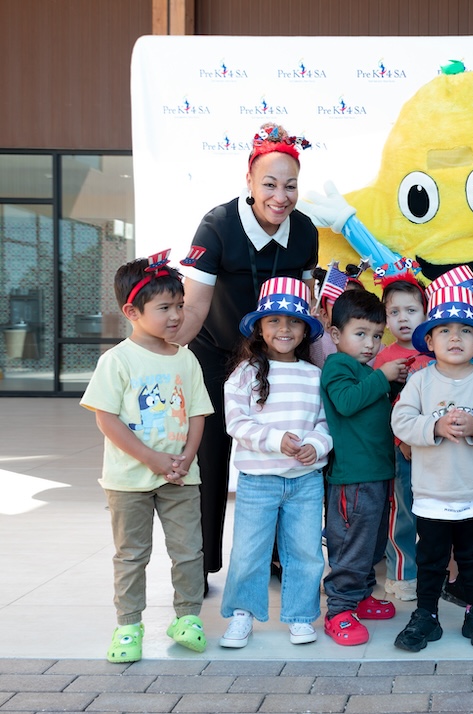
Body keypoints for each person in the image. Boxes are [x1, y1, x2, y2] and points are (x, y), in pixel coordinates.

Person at [176, 122, 319, 588]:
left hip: (276, 357)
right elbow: (194, 305)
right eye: (270, 185)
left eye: (291, 185)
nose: (281, 196)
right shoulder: (217, 226)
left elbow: (307, 302)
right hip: (215, 353)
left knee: (287, 451)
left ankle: (280, 556)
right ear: (251, 183)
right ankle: (198, 563)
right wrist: (166, 359)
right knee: (209, 457)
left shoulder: (305, 233)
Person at [81, 253, 213, 663]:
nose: (176, 316)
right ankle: (128, 625)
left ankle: (188, 618)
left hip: (180, 477)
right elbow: (107, 419)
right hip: (128, 480)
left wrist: (185, 458)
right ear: (131, 312)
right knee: (132, 554)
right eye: (164, 308)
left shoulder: (186, 358)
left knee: (189, 550)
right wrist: (153, 459)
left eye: (179, 306)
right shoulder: (117, 360)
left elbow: (197, 413)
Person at [390, 283, 473, 652]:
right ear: (429, 341)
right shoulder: (419, 381)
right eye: (444, 330)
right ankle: (426, 614)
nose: (455, 337)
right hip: (432, 493)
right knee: (430, 558)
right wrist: (433, 426)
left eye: (465, 330)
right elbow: (401, 422)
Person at [219, 277, 332, 649]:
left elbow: (326, 423)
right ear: (260, 328)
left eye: (294, 321)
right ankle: (241, 615)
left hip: (305, 481)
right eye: (274, 321)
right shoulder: (246, 374)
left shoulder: (314, 376)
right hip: (258, 480)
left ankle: (300, 616)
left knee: (305, 551)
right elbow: (236, 422)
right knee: (249, 551)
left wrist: (315, 446)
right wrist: (274, 440)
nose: (284, 329)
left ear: (305, 329)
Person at [321, 290, 410, 646]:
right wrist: (383, 377)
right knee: (352, 546)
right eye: (360, 334)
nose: (371, 344)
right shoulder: (337, 366)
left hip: (378, 473)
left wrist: (393, 384)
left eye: (377, 335)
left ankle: (360, 596)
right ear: (335, 334)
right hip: (353, 480)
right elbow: (345, 402)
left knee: (373, 545)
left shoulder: (365, 370)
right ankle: (340, 608)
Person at [373, 273, 431, 603]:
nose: (402, 319)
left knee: (435, 514)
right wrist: (402, 443)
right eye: (394, 312)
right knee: (403, 511)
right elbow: (384, 410)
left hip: (437, 450)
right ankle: (402, 573)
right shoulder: (383, 358)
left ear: (425, 312)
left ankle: (433, 569)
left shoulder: (437, 352)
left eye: (410, 310)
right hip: (403, 452)